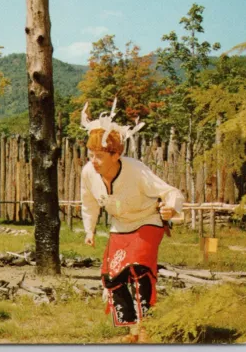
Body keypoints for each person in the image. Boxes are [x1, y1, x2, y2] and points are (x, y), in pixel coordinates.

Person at [79, 99, 184, 343]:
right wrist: (89, 230)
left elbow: (172, 192)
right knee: (112, 278)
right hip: (120, 226)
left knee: (138, 269)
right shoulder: (88, 173)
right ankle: (132, 331)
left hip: (148, 220)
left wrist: (171, 208)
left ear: (116, 154)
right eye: (90, 154)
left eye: (99, 156)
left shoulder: (136, 170)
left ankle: (145, 326)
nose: (93, 160)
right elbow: (90, 202)